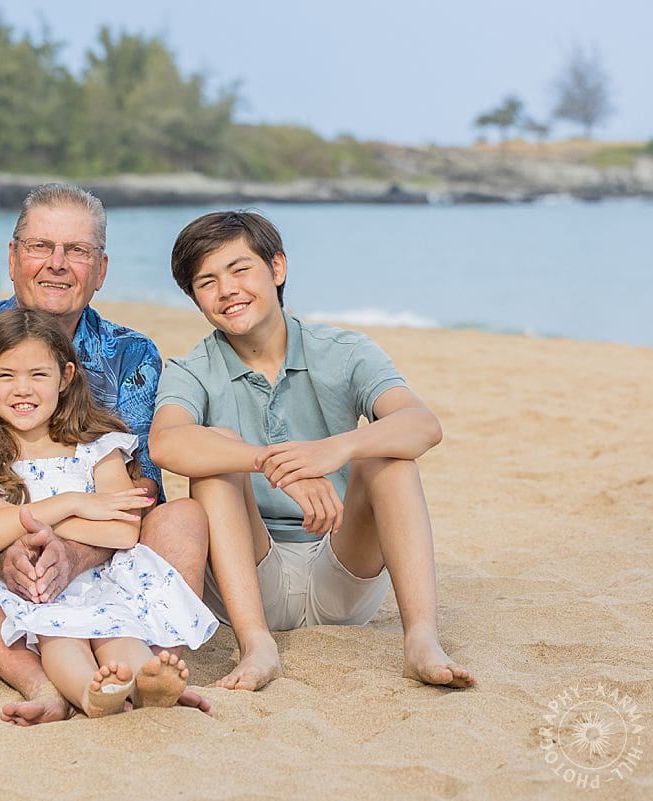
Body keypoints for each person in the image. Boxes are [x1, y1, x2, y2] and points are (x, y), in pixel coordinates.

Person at [0, 183, 211, 724]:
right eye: (40, 247)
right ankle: (38, 680)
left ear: (101, 269)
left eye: (78, 250)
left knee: (184, 516)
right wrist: (8, 556)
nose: (57, 264)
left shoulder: (131, 353)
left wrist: (67, 552)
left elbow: (141, 493)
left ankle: (154, 670)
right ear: (13, 258)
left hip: (102, 554)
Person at [149, 210, 475, 691]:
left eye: (240, 270)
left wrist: (335, 450)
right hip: (247, 578)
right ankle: (256, 646)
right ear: (195, 298)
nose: (227, 290)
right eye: (207, 282)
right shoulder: (191, 369)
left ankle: (422, 640)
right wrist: (272, 462)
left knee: (387, 456)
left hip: (342, 567)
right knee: (215, 459)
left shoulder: (344, 350)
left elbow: (422, 425)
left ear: (277, 268)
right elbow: (166, 441)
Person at [0, 308, 217, 717]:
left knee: (122, 628)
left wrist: (8, 514)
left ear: (66, 376)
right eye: (6, 375)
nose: (23, 389)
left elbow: (124, 531)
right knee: (60, 637)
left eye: (38, 374)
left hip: (104, 581)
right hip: (34, 590)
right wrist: (73, 502)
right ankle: (90, 696)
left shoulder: (99, 447)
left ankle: (144, 683)